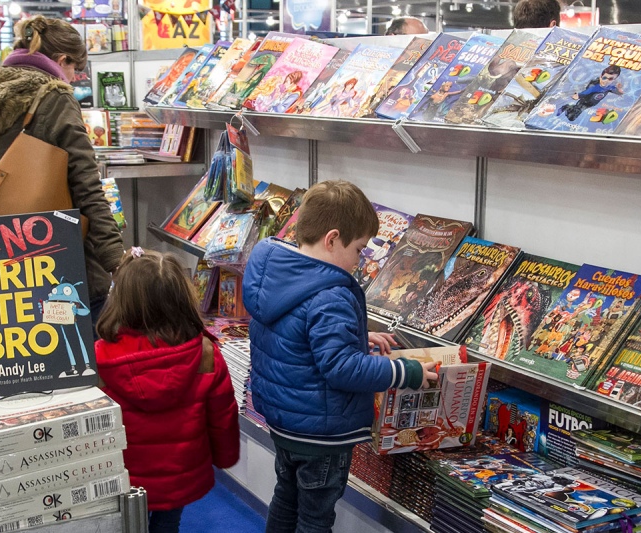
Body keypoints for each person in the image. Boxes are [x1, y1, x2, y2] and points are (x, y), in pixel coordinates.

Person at [242, 180, 438, 533]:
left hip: (286, 422)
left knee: (286, 499)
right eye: (360, 249)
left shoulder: (280, 274)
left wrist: (356, 336)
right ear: (332, 239)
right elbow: (342, 369)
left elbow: (297, 335)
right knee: (315, 519)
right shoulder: (330, 293)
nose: (360, 259)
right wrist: (405, 372)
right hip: (322, 432)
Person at [0, 16, 124, 323]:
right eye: (75, 69)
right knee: (71, 350)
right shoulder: (55, 96)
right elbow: (86, 184)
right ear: (61, 60)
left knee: (22, 351)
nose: (73, 78)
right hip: (53, 250)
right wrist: (114, 258)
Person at [95, 247, 241, 533]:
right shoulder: (205, 354)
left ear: (121, 299)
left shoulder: (102, 359)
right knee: (168, 525)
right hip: (179, 473)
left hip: (122, 476)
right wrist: (225, 457)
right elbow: (223, 415)